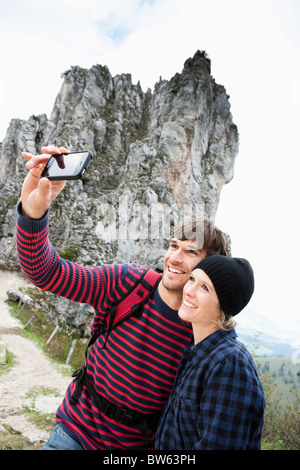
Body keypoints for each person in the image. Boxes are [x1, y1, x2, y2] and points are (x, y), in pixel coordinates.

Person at [16, 145, 231, 450]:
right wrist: (34, 209)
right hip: (77, 432)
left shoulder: (203, 331)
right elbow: (45, 271)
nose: (174, 258)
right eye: (173, 246)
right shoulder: (129, 284)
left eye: (191, 252)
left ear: (210, 267)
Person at [155, 255, 265, 450]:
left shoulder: (229, 365)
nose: (188, 290)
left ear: (223, 305)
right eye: (192, 279)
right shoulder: (197, 352)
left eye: (204, 287)